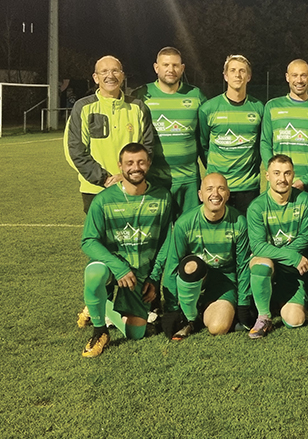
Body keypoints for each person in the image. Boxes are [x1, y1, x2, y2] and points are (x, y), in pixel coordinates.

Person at [78, 142, 173, 357]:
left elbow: (166, 240)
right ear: (120, 166)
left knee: (136, 333)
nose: (135, 167)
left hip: (139, 275)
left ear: (149, 164)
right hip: (113, 268)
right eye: (129, 163)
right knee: (94, 273)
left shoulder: (162, 197)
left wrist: (154, 277)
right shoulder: (103, 200)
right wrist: (118, 267)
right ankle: (100, 331)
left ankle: (97, 305)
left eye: (141, 162)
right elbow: (89, 241)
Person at [160, 173, 253, 341]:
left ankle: (201, 311)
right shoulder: (184, 223)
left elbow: (243, 266)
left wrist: (243, 304)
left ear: (228, 194)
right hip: (196, 280)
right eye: (209, 189)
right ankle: (189, 315)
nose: (215, 194)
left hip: (224, 282)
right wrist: (171, 309)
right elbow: (172, 265)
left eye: (221, 189)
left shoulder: (239, 222)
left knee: (218, 327)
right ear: (200, 195)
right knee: (191, 265)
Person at [64, 55, 157, 213]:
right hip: (95, 189)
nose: (110, 76)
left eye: (115, 71)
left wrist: (126, 177)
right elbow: (75, 151)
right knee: (99, 230)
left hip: (132, 186)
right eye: (104, 71)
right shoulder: (83, 107)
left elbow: (147, 147)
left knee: (133, 229)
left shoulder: (138, 107)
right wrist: (104, 179)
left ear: (122, 75)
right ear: (96, 77)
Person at [246, 155, 308, 338]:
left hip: (291, 271)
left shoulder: (305, 200)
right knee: (261, 263)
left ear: (293, 175)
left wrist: (281, 255)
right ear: (267, 176)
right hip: (280, 262)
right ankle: (264, 316)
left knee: (296, 320)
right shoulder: (257, 207)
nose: (282, 179)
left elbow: (306, 237)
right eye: (276, 173)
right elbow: (258, 246)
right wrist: (291, 256)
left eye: (287, 173)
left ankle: (278, 298)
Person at [132, 47, 207, 216]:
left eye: (175, 65)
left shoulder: (196, 95)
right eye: (165, 65)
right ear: (156, 67)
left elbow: (204, 138)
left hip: (188, 181)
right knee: (156, 230)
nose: (170, 69)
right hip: (153, 180)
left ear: (182, 68)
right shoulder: (141, 95)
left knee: (188, 229)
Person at [261, 59, 308, 203]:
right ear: (287, 77)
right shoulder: (272, 106)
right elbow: (265, 144)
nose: (299, 80)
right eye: (294, 75)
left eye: (303, 75)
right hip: (277, 186)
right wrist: (275, 175)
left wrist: (306, 180)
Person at [199, 54, 264, 214]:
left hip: (248, 186)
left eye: (242, 71)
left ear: (249, 77)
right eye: (233, 70)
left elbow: (260, 145)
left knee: (246, 228)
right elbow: (203, 146)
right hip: (218, 187)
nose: (237, 75)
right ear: (225, 76)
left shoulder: (258, 108)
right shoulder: (208, 109)